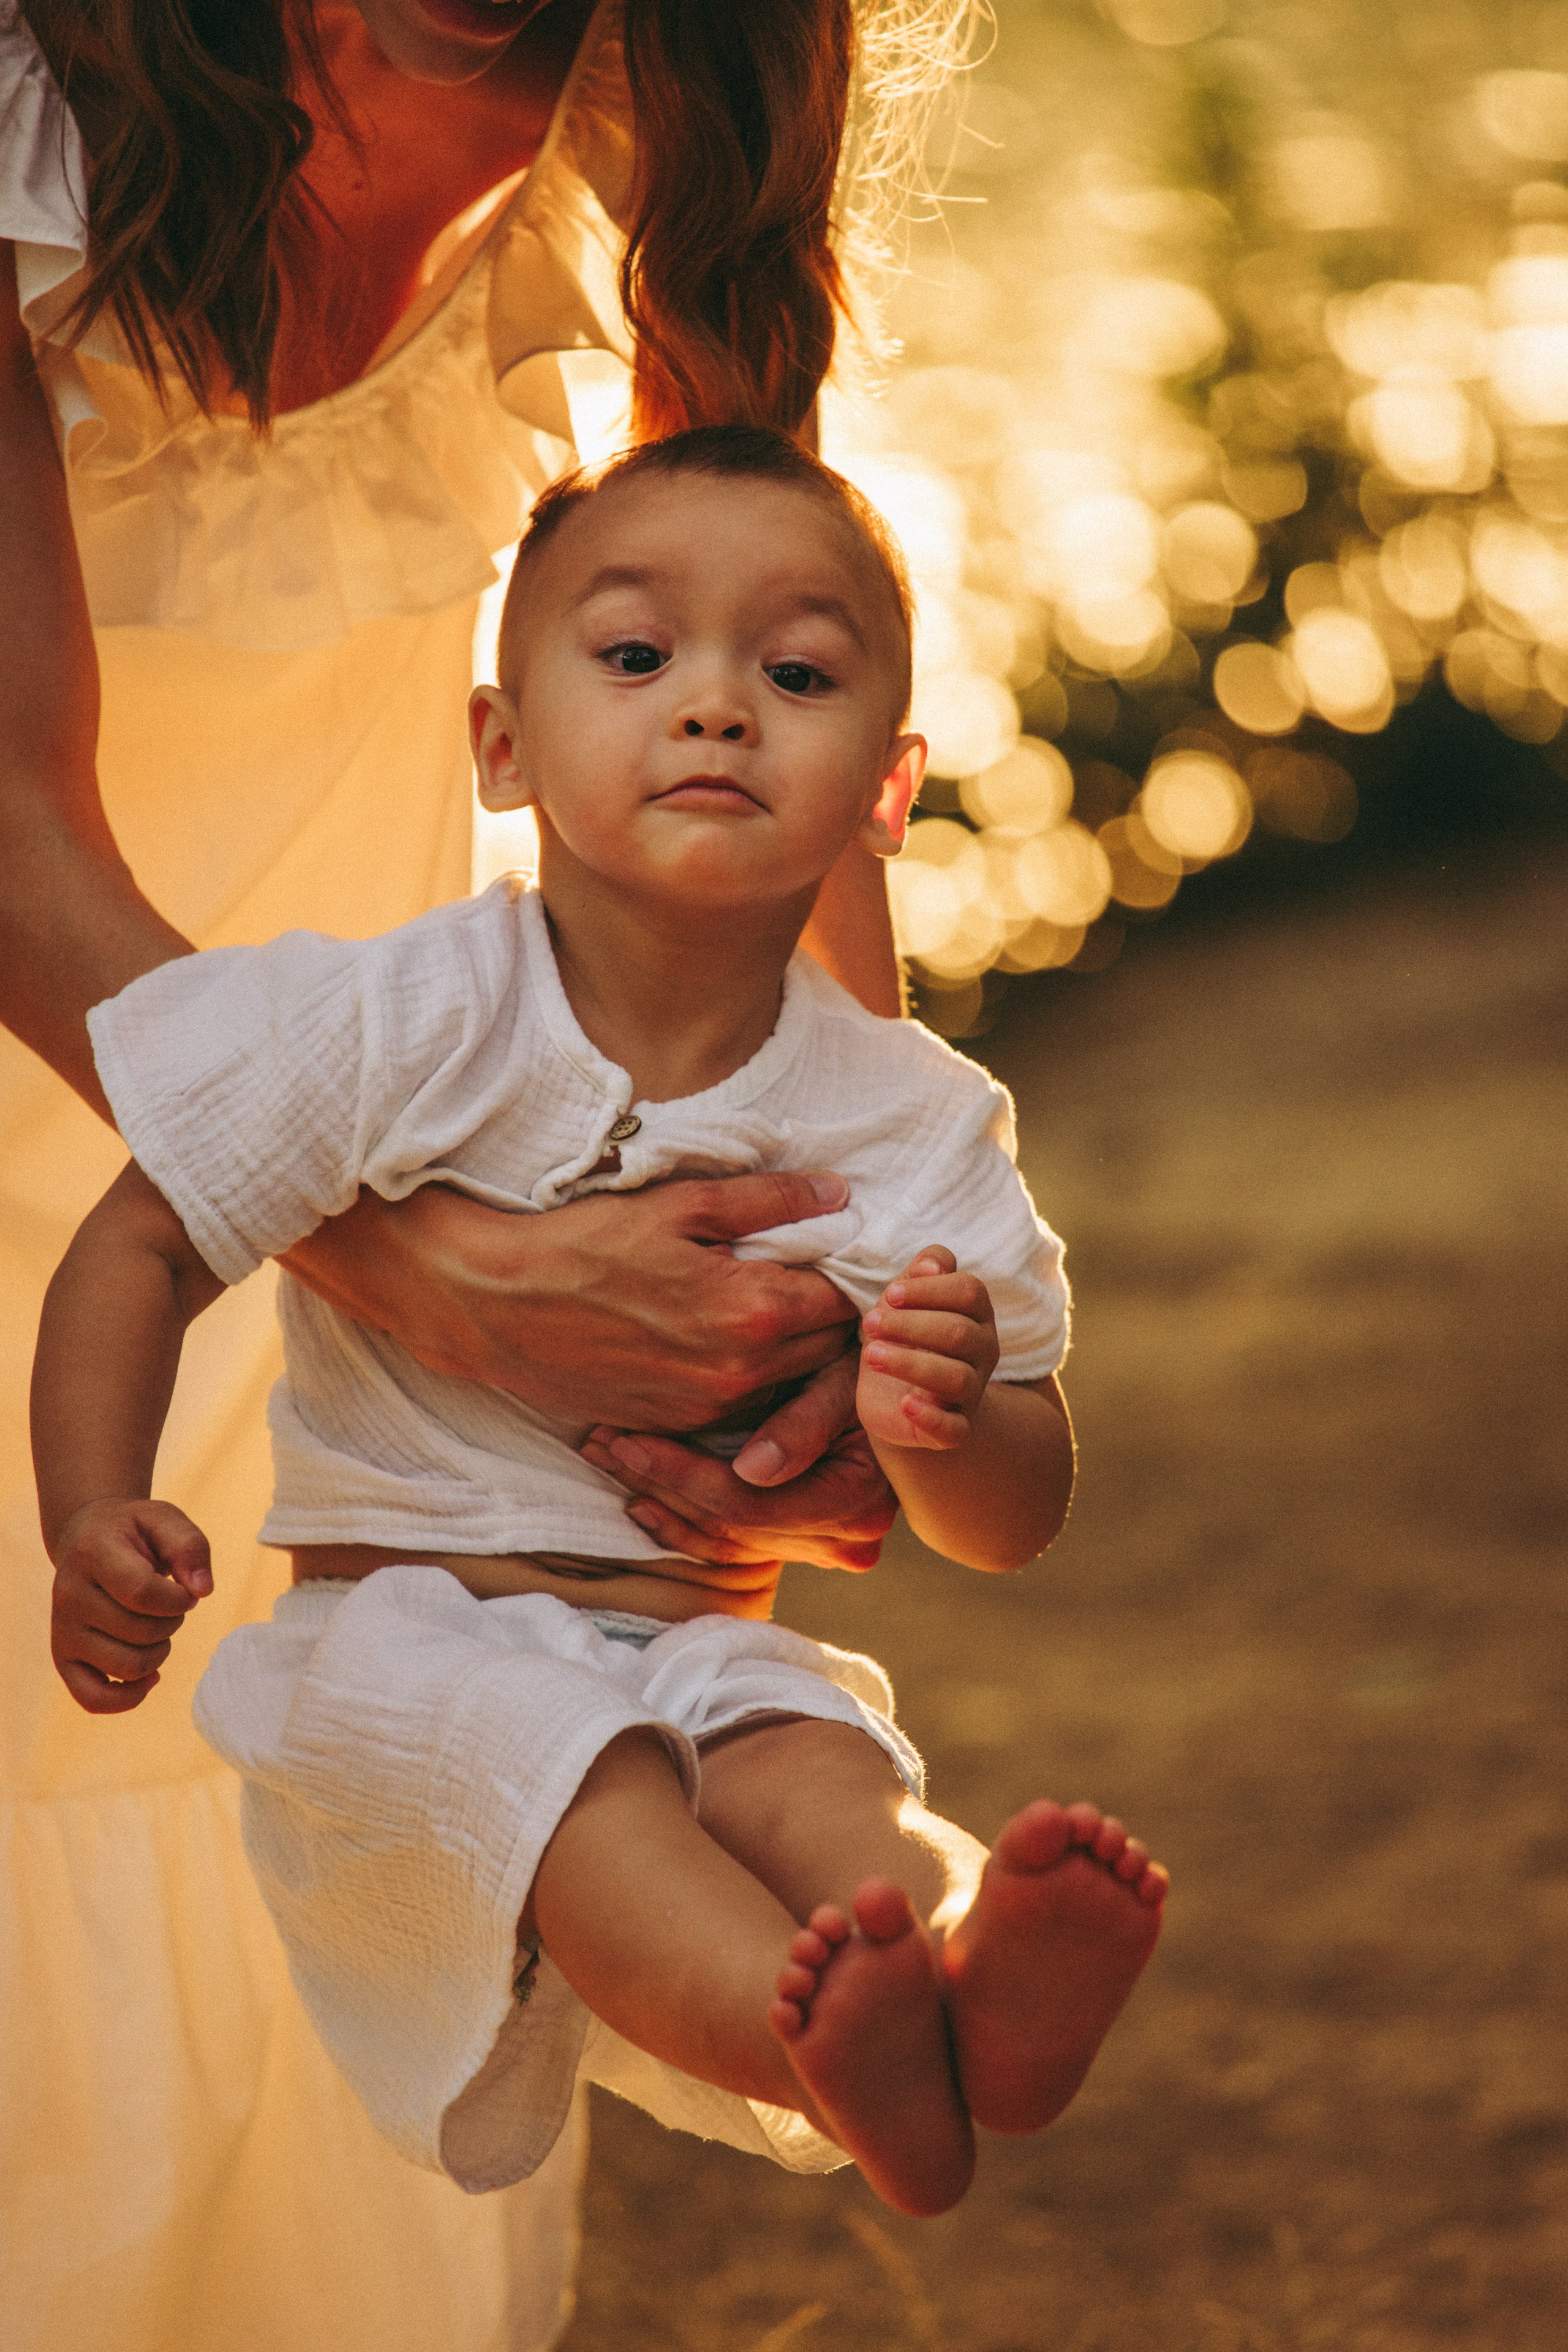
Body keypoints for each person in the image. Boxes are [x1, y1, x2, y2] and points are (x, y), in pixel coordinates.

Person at [0, 4, 979, 2345]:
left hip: (360, 1015)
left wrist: (829, 1282)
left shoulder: (689, 63)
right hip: (151, 1065)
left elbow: (782, 684)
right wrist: (444, 1278)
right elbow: (12, 825)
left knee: (355, 1713)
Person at [34, 426, 1169, 2232]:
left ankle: (969, 1978)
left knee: (831, 1790)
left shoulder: (909, 1116)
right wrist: (89, 1512)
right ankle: (837, 2046)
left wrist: (948, 1422)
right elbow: (143, 1244)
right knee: (592, 1797)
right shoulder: (399, 1015)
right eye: (637, 657)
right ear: (502, 745)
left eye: (794, 674)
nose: (716, 707)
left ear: (888, 786)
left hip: (704, 1644)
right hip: (406, 1644)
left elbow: (1010, 1516)